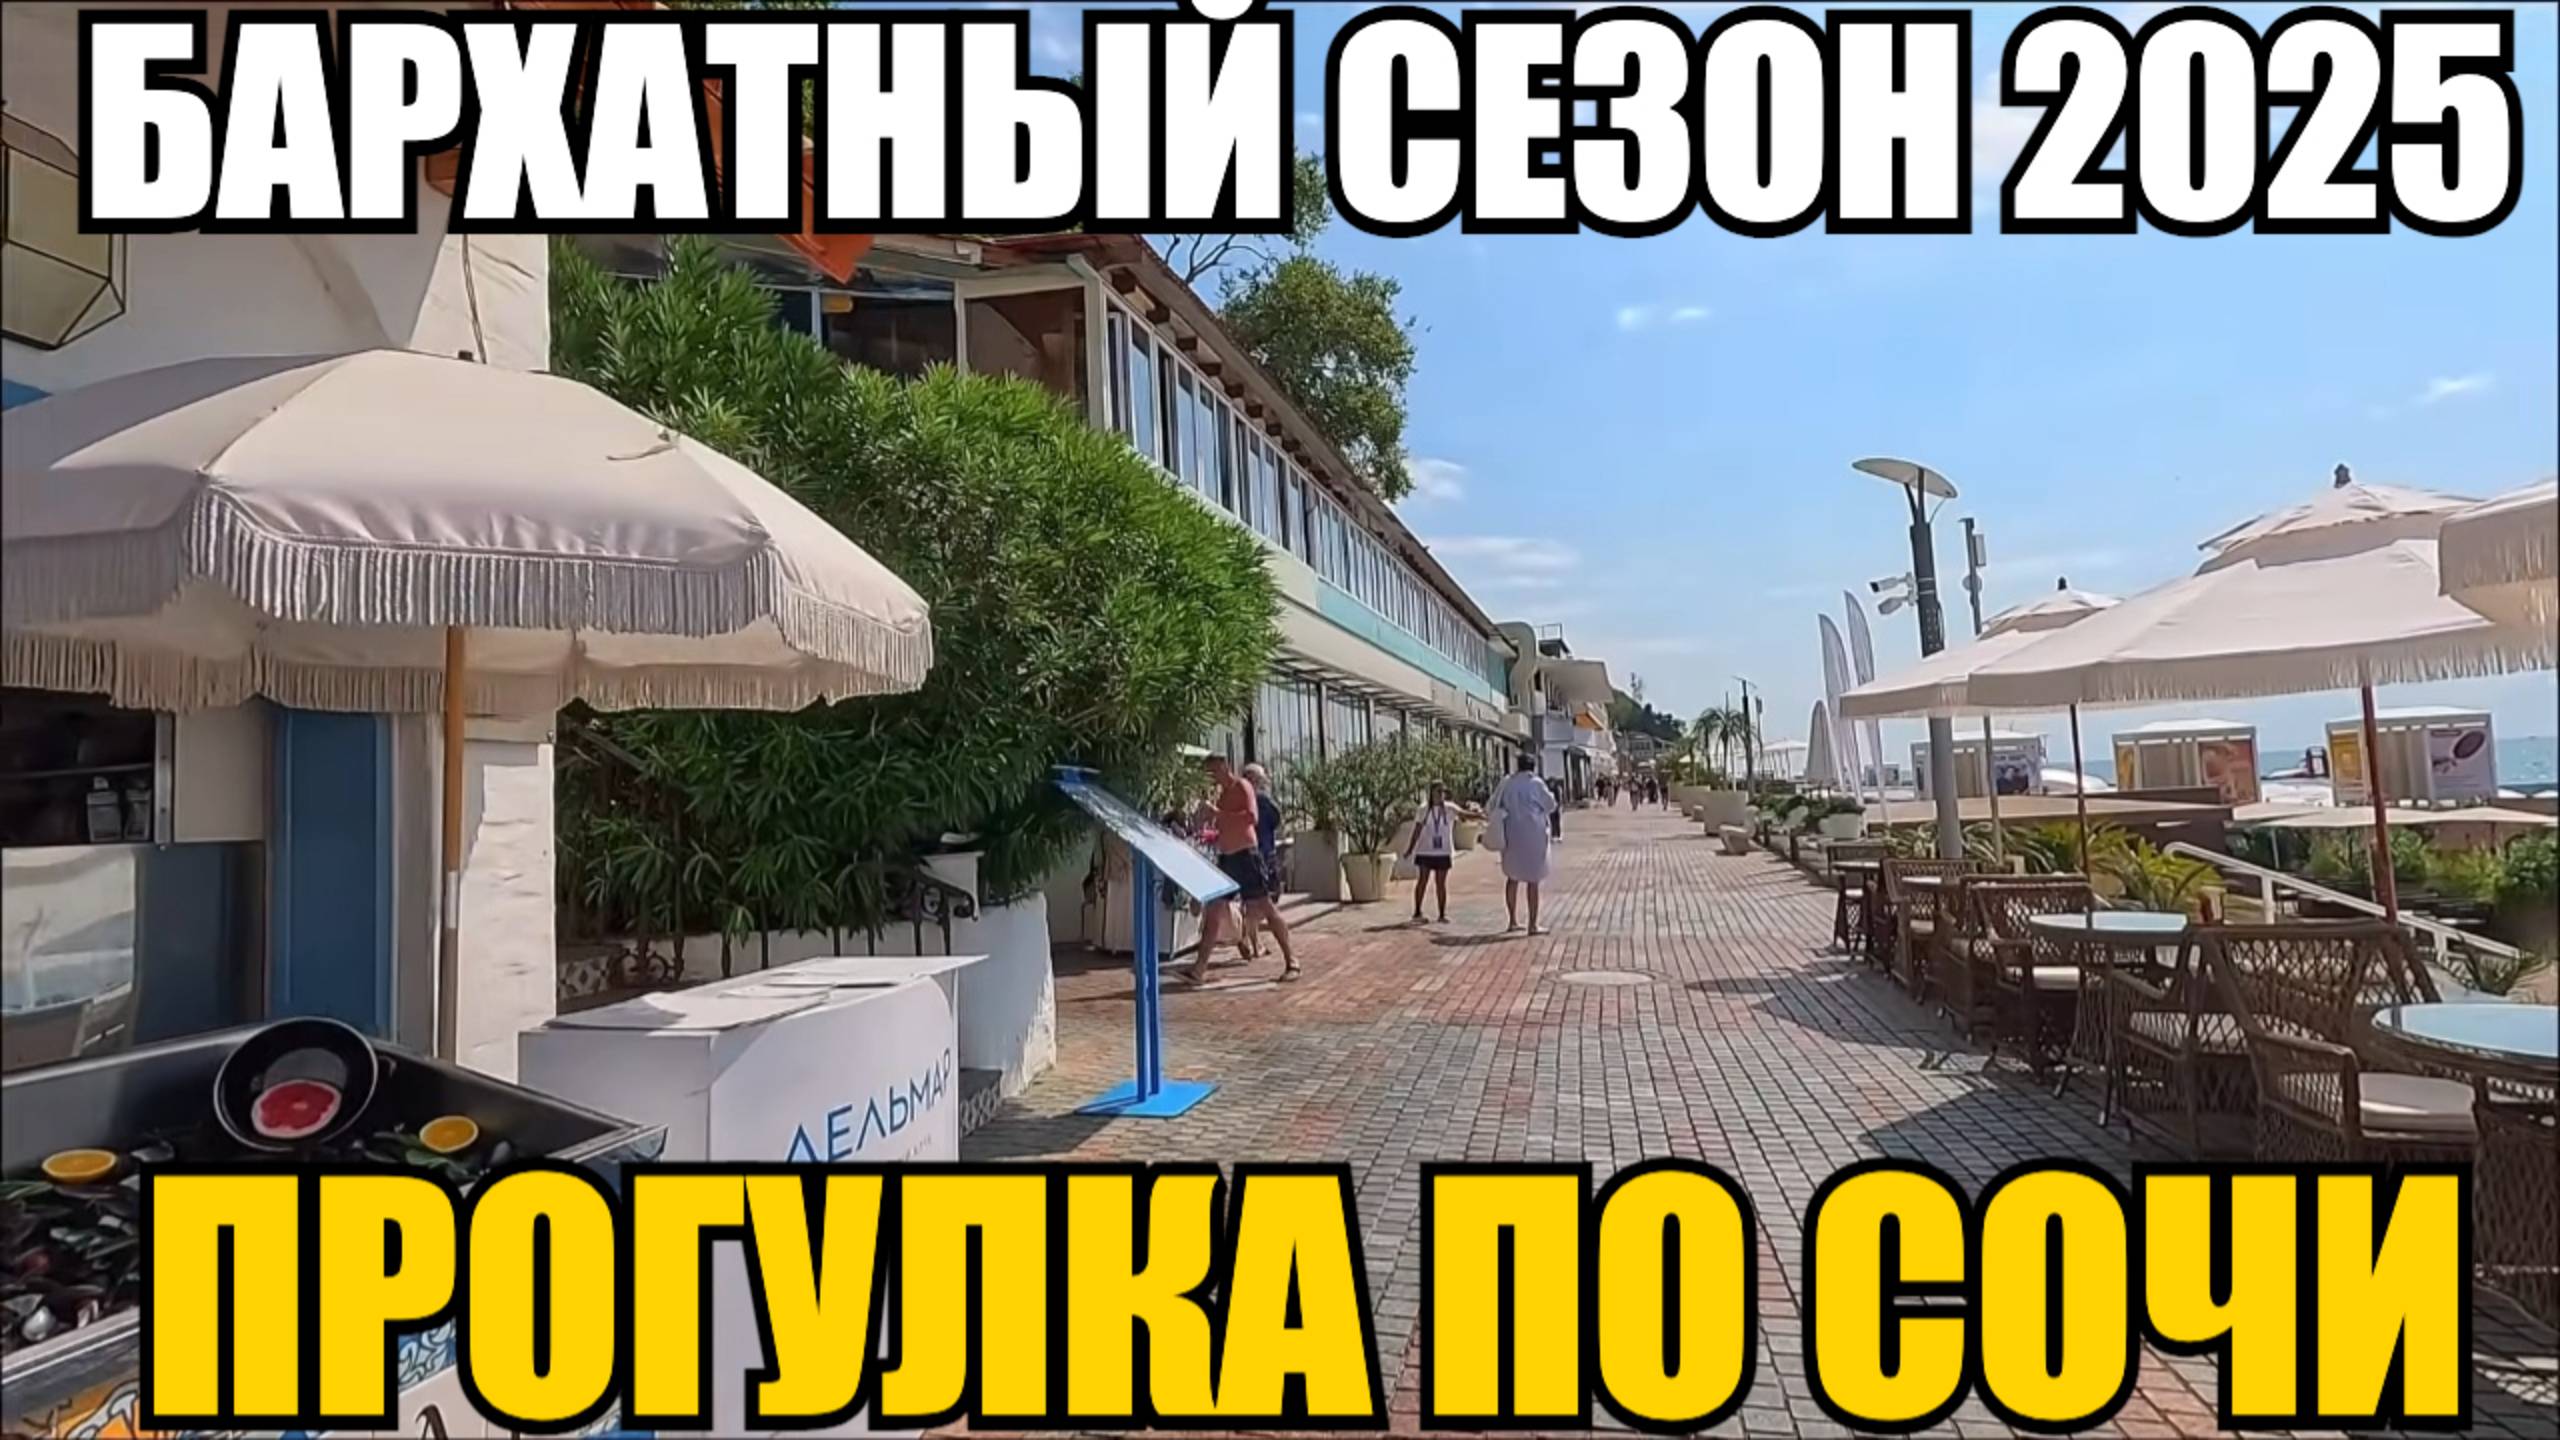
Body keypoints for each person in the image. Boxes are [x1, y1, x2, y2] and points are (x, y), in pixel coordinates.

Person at [1194, 755, 1298, 983]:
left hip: (1246, 856)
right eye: (1208, 774)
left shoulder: (1243, 786)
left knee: (1265, 907)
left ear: (1225, 767)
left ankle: (1292, 960)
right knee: (1214, 910)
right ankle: (1198, 969)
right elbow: (1225, 825)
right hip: (1227, 858)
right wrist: (1208, 825)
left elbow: (1251, 817)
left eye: (1213, 771)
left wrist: (1218, 814)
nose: (1212, 777)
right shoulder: (1222, 796)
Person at [1490, 755, 1558, 935]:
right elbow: (1550, 805)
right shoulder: (1536, 783)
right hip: (1533, 835)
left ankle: (1512, 920)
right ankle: (1532, 924)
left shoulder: (1508, 784)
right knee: (1533, 879)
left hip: (1511, 833)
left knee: (1512, 876)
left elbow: (1495, 804)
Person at [1402, 782, 1457, 923]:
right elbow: (1417, 830)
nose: (1440, 794)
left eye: (1442, 791)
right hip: (1425, 850)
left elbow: (1464, 814)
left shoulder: (1449, 808)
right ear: (1431, 792)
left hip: (1443, 851)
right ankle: (1417, 912)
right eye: (1438, 791)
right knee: (1423, 881)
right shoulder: (1423, 809)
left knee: (1441, 883)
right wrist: (1410, 849)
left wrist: (1480, 815)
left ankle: (1442, 914)